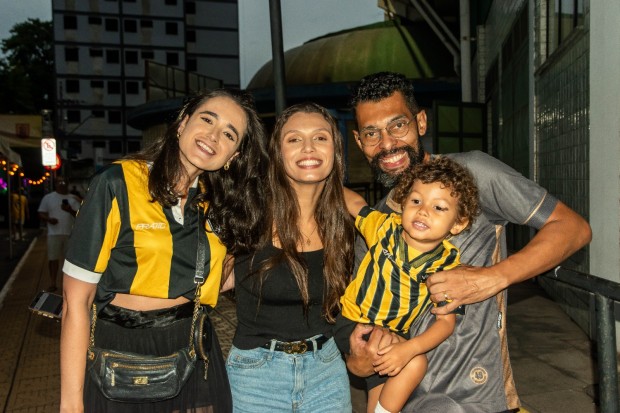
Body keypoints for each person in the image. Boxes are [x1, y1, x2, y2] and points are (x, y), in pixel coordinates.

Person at [345, 72, 592, 413]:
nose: (387, 144)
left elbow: (572, 228)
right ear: (359, 142)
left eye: (397, 125)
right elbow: (368, 333)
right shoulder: (374, 225)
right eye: (372, 133)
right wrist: (360, 363)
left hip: (476, 399)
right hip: (405, 401)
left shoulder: (470, 174)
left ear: (420, 122)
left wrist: (493, 277)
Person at [59, 88, 267, 413]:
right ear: (183, 124)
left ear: (233, 156)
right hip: (118, 351)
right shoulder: (117, 183)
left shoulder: (221, 205)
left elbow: (220, 280)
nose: (213, 136)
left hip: (194, 351)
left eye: (229, 134)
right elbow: (76, 302)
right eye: (207, 120)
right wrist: (70, 402)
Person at [224, 102, 355, 412]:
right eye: (294, 139)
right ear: (278, 153)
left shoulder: (347, 222)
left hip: (327, 371)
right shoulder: (249, 215)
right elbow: (213, 282)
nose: (308, 147)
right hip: (255, 376)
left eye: (320, 137)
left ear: (336, 150)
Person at [338, 157, 480, 413]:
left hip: (393, 333)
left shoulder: (447, 266)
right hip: (352, 320)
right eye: (416, 201)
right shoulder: (384, 228)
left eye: (439, 207)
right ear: (403, 204)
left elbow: (445, 324)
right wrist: (326, 185)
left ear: (459, 223)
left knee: (383, 392)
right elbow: (357, 205)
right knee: (415, 363)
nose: (423, 211)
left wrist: (408, 348)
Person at [38, 179, 80, 292]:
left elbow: (81, 215)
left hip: (70, 234)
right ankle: (53, 283)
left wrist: (70, 210)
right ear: (55, 184)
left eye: (64, 183)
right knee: (53, 259)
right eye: (59, 183)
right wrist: (49, 219)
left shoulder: (73, 198)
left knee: (70, 261)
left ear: (68, 184)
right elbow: (41, 212)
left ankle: (68, 284)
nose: (62, 185)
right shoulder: (48, 197)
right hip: (54, 233)